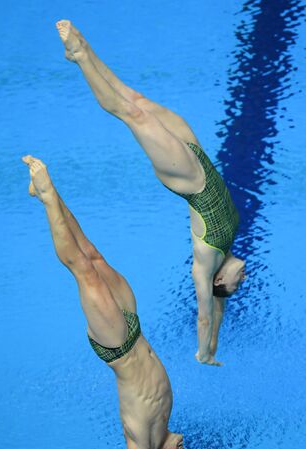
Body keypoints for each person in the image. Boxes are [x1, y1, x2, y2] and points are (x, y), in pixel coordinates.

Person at [55, 20, 246, 367]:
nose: (241, 281)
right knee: (136, 99)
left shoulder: (206, 267)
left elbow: (206, 314)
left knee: (131, 114)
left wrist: (204, 353)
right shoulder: (228, 250)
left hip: (189, 178)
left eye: (234, 285)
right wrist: (216, 342)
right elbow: (219, 311)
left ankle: (81, 56)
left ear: (219, 279)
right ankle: (81, 50)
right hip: (198, 156)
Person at [22, 155, 187, 449]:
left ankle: (47, 196)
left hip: (116, 345)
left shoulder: (143, 446)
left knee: (82, 270)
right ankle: (45, 194)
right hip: (133, 326)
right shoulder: (164, 429)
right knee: (93, 255)